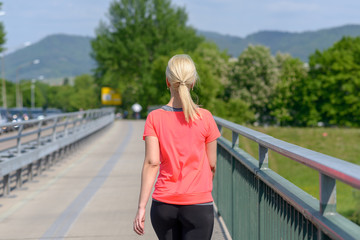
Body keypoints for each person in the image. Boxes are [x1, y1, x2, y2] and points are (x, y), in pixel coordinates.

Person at [133, 54, 221, 240]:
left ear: (167, 82)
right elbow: (212, 164)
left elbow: (152, 163)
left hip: (164, 205)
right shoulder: (205, 117)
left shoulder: (154, 118)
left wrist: (141, 207)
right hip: (198, 204)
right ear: (193, 82)